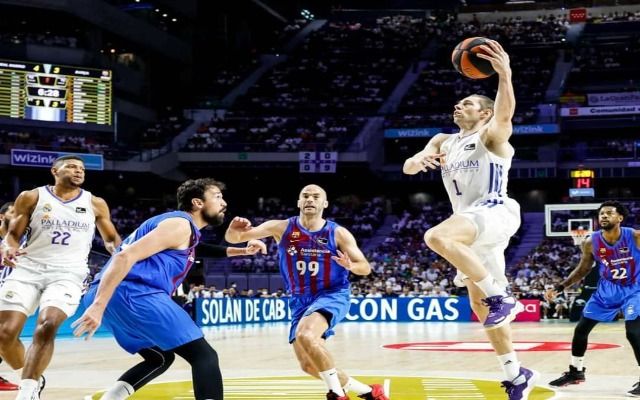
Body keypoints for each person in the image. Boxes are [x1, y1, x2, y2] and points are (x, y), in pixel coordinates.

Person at [402, 40, 537, 399]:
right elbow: (409, 166)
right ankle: (516, 373)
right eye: (458, 103)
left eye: (467, 103)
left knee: (437, 237)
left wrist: (505, 75)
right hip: (471, 223)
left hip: (494, 210)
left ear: (485, 113)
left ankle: (502, 297)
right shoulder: (443, 140)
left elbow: (505, 114)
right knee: (481, 308)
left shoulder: (491, 135)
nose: (458, 106)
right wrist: (418, 161)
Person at [73, 178, 261, 400]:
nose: (224, 203)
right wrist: (98, 306)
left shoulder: (179, 229)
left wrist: (241, 251)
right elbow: (124, 256)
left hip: (109, 293)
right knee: (204, 356)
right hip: (134, 293)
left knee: (160, 357)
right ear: (197, 203)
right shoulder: (180, 225)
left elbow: (199, 249)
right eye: (217, 197)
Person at [225, 184, 389, 400]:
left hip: (331, 294)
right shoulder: (281, 227)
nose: (310, 199)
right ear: (299, 202)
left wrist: (350, 266)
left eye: (316, 196)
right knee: (308, 365)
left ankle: (337, 393)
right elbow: (234, 238)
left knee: (306, 335)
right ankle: (369, 392)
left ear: (325, 203)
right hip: (299, 300)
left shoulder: (338, 233)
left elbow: (365, 268)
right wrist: (233, 228)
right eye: (306, 196)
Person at [0, 155, 121, 400]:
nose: (79, 171)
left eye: (82, 168)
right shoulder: (31, 197)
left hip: (68, 273)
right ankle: (32, 375)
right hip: (28, 269)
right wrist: (8, 248)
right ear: (55, 171)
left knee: (47, 325)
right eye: (72, 167)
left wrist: (119, 254)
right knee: (4, 334)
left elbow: (110, 239)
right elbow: (12, 235)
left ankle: (28, 391)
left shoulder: (95, 203)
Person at [546, 201, 640, 397]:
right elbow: (583, 269)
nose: (604, 216)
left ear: (620, 218)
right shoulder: (591, 242)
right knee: (581, 330)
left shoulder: (635, 237)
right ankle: (576, 372)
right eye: (601, 213)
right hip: (606, 290)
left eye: (609, 213)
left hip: (634, 289)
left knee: (633, 332)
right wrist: (561, 287)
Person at [0, 202, 19, 391]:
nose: (17, 215)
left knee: (5, 334)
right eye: (13, 212)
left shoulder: (19, 240)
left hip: (9, 293)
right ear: (1, 217)